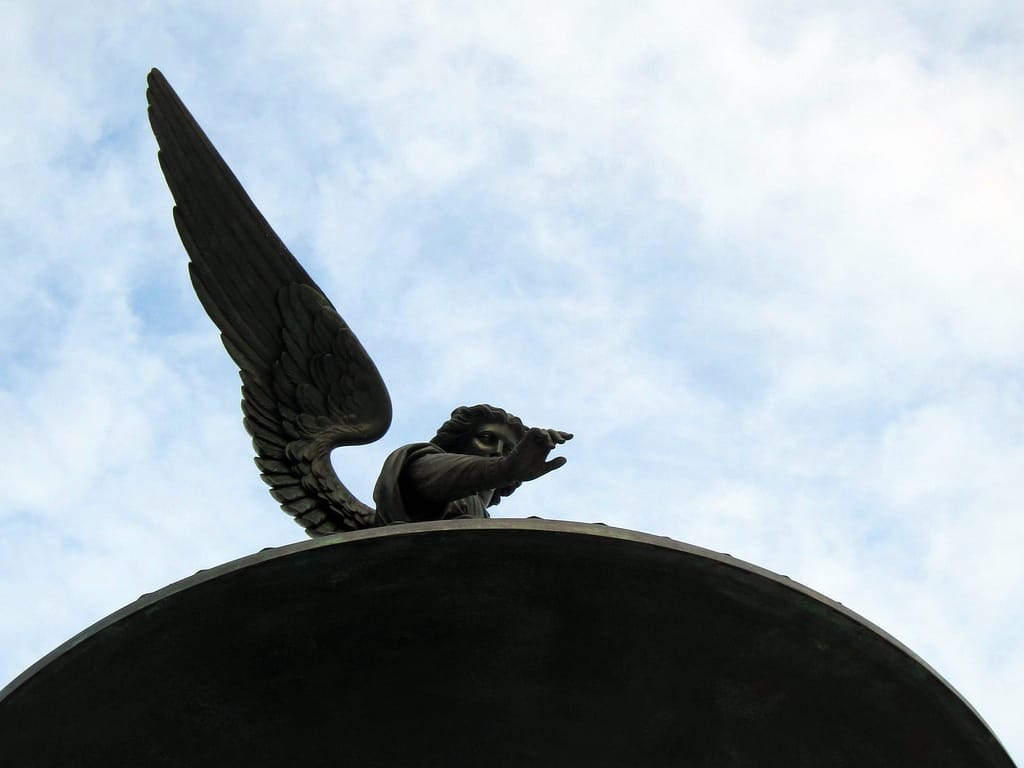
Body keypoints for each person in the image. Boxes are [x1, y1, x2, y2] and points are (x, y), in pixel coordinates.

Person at [373, 404, 572, 524]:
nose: (497, 452)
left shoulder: (484, 522)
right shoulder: (418, 466)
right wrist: (505, 468)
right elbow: (425, 473)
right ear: (457, 443)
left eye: (508, 450)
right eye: (486, 438)